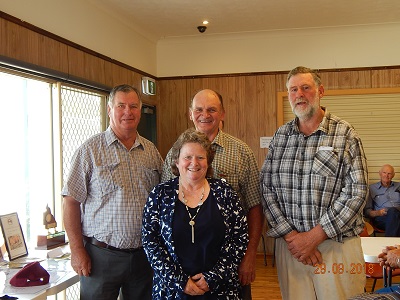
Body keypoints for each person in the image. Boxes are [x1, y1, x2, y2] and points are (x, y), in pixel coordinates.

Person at [260, 66, 369, 299]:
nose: (299, 94)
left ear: (320, 91)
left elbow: (357, 192)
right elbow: (267, 188)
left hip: (336, 245)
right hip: (291, 249)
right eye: (293, 89)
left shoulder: (345, 134)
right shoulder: (281, 137)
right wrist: (293, 238)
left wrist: (314, 237)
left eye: (305, 88)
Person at [62, 84, 163, 300]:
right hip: (100, 257)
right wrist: (77, 250)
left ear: (140, 110)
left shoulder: (151, 151)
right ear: (110, 110)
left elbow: (162, 198)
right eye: (121, 106)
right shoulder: (89, 150)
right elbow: (70, 202)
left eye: (134, 106)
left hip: (143, 256)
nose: (128, 111)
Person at [161, 89, 263, 300]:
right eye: (199, 109)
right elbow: (163, 210)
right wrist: (173, 273)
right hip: (182, 269)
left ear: (222, 114)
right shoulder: (175, 152)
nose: (204, 115)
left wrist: (250, 255)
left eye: (211, 109)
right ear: (190, 113)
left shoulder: (241, 152)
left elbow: (254, 206)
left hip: (228, 266)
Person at [142, 128, 248, 299]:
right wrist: (179, 281)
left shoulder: (225, 193)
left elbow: (239, 239)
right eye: (187, 157)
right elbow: (150, 241)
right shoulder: (160, 194)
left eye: (200, 157)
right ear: (176, 161)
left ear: (208, 161)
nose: (194, 163)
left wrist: (213, 278)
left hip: (218, 289)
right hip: (172, 291)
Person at [365, 164, 400, 236]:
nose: (386, 175)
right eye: (384, 172)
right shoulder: (372, 188)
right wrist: (378, 213)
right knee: (393, 213)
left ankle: (391, 245)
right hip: (382, 218)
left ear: (393, 175)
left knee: (395, 214)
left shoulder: (399, 186)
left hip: (398, 214)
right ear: (380, 173)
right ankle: (391, 243)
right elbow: (367, 211)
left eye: (389, 173)